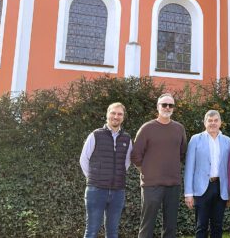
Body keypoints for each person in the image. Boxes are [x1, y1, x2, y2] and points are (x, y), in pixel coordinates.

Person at [131, 93, 187, 238]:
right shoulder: (147, 128)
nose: (167, 108)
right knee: (147, 224)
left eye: (171, 105)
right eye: (164, 104)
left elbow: (182, 154)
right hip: (151, 184)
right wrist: (147, 171)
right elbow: (136, 155)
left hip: (173, 184)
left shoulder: (179, 128)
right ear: (158, 107)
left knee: (171, 225)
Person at [80, 102, 133, 238]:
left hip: (117, 191)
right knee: (91, 231)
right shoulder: (95, 135)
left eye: (119, 114)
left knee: (113, 232)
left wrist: (116, 175)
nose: (116, 116)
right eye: (113, 113)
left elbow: (126, 162)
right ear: (107, 115)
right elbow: (84, 159)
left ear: (123, 117)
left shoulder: (127, 138)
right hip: (96, 190)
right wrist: (93, 178)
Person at [184, 110, 230, 238]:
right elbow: (189, 167)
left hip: (220, 187)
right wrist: (188, 193)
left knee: (218, 225)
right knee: (201, 226)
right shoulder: (195, 139)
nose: (213, 123)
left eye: (216, 120)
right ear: (205, 123)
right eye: (210, 121)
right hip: (201, 188)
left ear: (220, 122)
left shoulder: (227, 141)